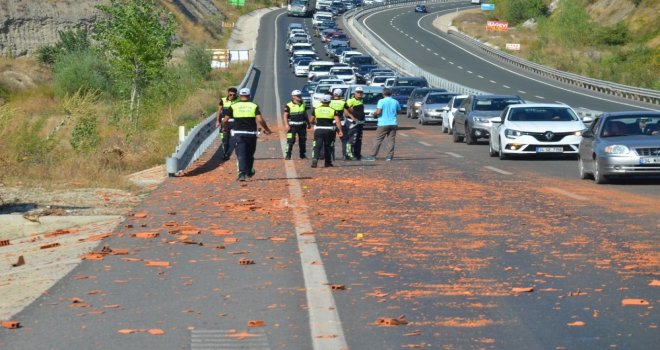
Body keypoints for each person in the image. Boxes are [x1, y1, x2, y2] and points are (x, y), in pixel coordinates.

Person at [222, 88, 272, 181]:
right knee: (249, 154)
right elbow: (260, 120)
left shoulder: (234, 106)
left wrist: (225, 128)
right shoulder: (254, 106)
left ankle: (242, 173)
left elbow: (225, 120)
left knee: (241, 154)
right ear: (249, 96)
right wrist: (267, 129)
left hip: (238, 134)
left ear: (240, 96)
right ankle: (248, 171)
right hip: (251, 134)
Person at [362, 88, 400, 161]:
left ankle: (373, 155)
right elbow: (399, 111)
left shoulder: (381, 101)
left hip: (383, 123)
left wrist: (374, 114)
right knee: (391, 140)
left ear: (383, 94)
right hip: (393, 123)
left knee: (378, 140)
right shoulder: (395, 101)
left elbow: (378, 111)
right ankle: (389, 156)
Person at [310, 95, 343, 168]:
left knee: (317, 146)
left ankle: (315, 159)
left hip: (319, 130)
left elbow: (311, 120)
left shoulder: (316, 109)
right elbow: (337, 121)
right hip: (329, 130)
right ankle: (327, 162)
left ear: (322, 101)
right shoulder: (333, 110)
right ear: (329, 102)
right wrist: (340, 130)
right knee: (328, 146)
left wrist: (314, 123)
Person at [328, 88, 354, 160]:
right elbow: (350, 110)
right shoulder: (343, 102)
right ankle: (345, 155)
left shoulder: (329, 102)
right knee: (344, 140)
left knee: (331, 140)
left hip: (331, 123)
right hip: (341, 123)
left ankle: (331, 156)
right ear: (341, 95)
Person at [283, 90, 310, 160]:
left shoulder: (303, 103)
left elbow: (305, 114)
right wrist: (286, 125)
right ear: (293, 97)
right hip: (292, 126)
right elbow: (285, 115)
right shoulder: (288, 105)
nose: (299, 97)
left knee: (303, 140)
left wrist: (308, 123)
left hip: (302, 126)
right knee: (290, 141)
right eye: (298, 96)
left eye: (300, 95)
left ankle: (302, 154)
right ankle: (288, 155)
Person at [216, 87, 238, 161]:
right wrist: (217, 121)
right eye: (230, 94)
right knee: (225, 139)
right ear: (228, 93)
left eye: (234, 95)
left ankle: (230, 154)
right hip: (224, 123)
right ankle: (225, 153)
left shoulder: (238, 101)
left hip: (235, 122)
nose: (232, 96)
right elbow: (219, 111)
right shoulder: (223, 100)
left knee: (234, 139)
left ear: (236, 94)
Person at [345, 87, 365, 160]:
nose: (359, 94)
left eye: (361, 92)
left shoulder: (361, 100)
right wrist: (352, 117)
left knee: (358, 139)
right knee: (352, 139)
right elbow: (345, 110)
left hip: (360, 123)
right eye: (358, 92)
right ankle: (349, 154)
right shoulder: (351, 101)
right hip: (352, 123)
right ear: (355, 93)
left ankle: (357, 154)